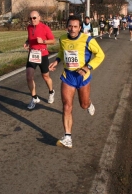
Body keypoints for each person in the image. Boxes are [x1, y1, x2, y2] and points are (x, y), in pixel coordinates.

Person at [49, 15, 105, 149]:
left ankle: (89, 103)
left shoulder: (87, 39)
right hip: (68, 76)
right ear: (66, 26)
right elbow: (62, 52)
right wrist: (56, 61)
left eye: (75, 27)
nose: (72, 29)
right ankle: (67, 137)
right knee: (67, 106)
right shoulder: (63, 38)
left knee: (83, 105)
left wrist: (88, 67)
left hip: (82, 77)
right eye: (70, 26)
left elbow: (100, 55)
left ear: (80, 28)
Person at [24, 11, 56, 110]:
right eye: (30, 18)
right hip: (32, 54)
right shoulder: (29, 27)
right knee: (29, 76)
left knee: (45, 77)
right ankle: (34, 98)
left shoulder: (45, 28)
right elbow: (30, 37)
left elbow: (53, 40)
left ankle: (51, 92)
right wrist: (27, 42)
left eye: (34, 18)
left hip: (43, 54)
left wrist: (43, 41)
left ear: (39, 18)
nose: (32, 20)